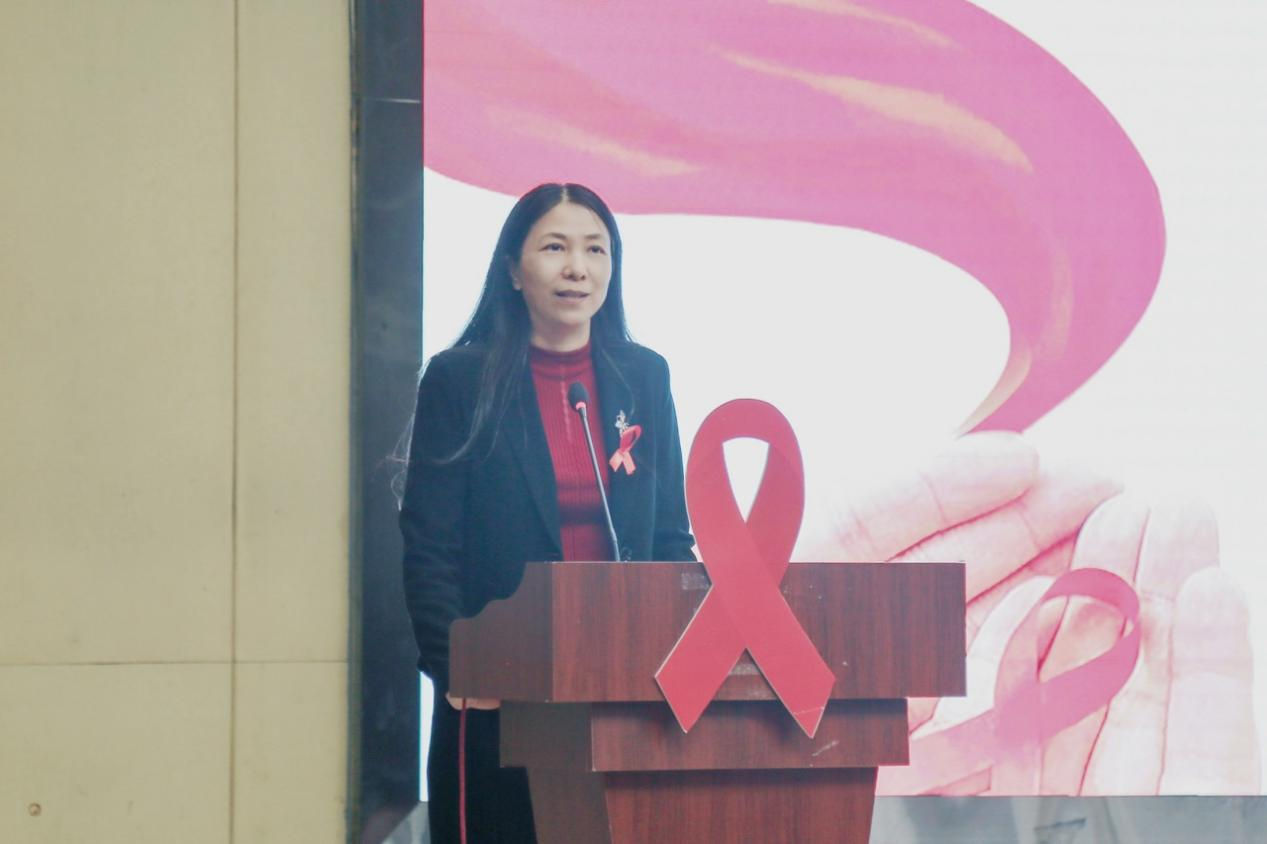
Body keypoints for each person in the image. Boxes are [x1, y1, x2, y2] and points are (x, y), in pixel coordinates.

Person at [399, 182, 697, 843]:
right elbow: (430, 546)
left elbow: (670, 537)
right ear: (513, 269)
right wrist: (458, 665)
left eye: (595, 250)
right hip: (501, 691)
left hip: (623, 688)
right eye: (555, 248)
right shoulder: (459, 380)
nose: (577, 269)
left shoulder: (643, 377)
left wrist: (685, 656)